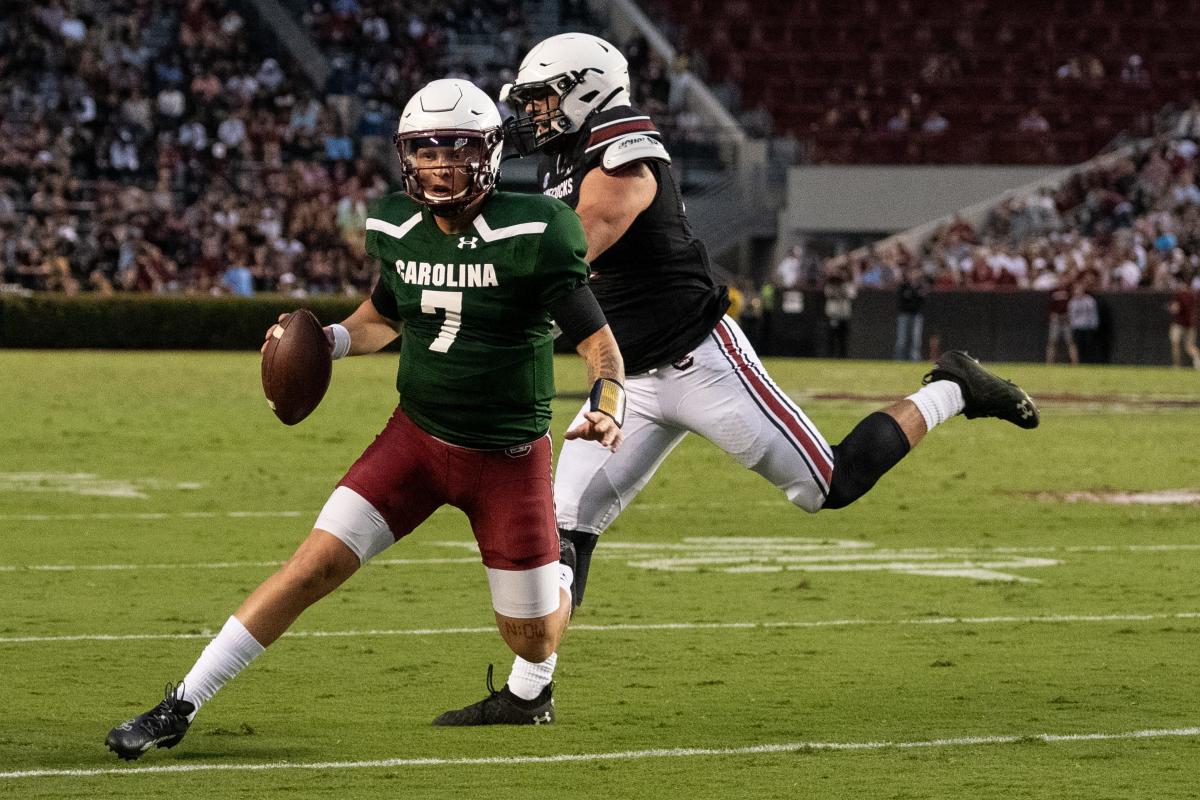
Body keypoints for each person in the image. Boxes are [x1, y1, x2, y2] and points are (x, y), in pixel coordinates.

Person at [434, 33, 1041, 726]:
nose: (535, 113)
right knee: (566, 521)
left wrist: (477, 279)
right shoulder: (566, 159)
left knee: (829, 486)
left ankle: (953, 387)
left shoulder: (624, 140)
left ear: (585, 87)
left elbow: (577, 240)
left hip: (703, 363)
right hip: (627, 380)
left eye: (543, 97)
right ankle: (529, 691)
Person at [104, 78, 626, 759]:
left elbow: (599, 345)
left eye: (459, 149)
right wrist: (330, 341)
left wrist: (606, 405)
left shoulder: (537, 229)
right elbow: (383, 316)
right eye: (427, 149)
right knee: (309, 567)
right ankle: (179, 704)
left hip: (506, 459)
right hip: (414, 439)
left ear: (491, 153)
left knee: (534, 639)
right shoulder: (394, 224)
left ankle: (562, 566)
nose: (441, 164)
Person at [894, 265, 928, 361]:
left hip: (916, 315)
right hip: (904, 314)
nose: (913, 275)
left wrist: (912, 296)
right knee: (902, 339)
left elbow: (922, 299)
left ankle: (914, 359)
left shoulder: (920, 286)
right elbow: (901, 299)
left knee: (916, 340)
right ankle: (899, 359)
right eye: (911, 273)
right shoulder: (904, 286)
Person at [1167, 271, 1200, 369]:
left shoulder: (1179, 294)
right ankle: (1197, 360)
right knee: (1189, 346)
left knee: (1175, 343)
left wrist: (1171, 308)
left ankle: (1176, 366)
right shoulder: (1195, 295)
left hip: (1179, 323)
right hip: (1191, 323)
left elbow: (1175, 309)